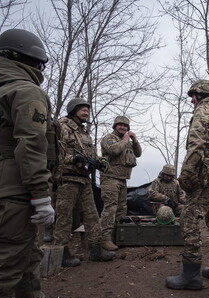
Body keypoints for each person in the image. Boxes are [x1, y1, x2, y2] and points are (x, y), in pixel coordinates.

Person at [0, 28, 69, 298]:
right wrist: (41, 195)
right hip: (17, 190)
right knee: (3, 267)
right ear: (29, 60)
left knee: (26, 256)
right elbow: (30, 144)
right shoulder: (25, 91)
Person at [165, 80, 209, 290]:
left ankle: (191, 274)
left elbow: (196, 144)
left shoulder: (204, 111)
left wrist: (186, 172)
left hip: (204, 174)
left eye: (193, 96)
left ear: (199, 95)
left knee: (191, 219)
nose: (192, 101)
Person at [53, 98, 115, 266]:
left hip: (84, 179)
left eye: (87, 109)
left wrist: (100, 161)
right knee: (64, 217)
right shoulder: (62, 127)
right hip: (67, 178)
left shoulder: (84, 132)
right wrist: (73, 158)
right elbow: (55, 153)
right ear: (73, 110)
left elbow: (91, 154)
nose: (86, 111)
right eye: (82, 109)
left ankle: (95, 250)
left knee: (92, 216)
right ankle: (62, 254)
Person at [99, 115, 142, 251]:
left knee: (121, 210)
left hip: (122, 179)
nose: (123, 127)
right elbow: (114, 150)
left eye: (125, 126)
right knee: (110, 209)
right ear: (115, 126)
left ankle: (117, 236)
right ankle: (104, 239)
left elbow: (138, 153)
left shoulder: (127, 141)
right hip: (110, 178)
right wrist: (125, 140)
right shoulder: (109, 138)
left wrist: (134, 141)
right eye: (120, 125)